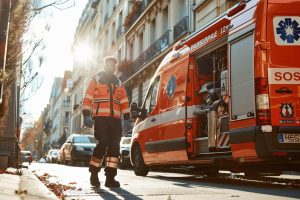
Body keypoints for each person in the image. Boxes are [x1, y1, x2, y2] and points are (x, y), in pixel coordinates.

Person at [82, 56, 130, 188]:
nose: (112, 66)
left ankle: (110, 178)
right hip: (101, 119)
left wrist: (127, 118)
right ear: (105, 65)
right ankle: (94, 173)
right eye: (109, 64)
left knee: (115, 147)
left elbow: (124, 102)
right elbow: (87, 98)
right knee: (102, 143)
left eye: (114, 64)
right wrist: (86, 115)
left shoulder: (119, 83)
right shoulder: (96, 79)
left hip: (115, 120)